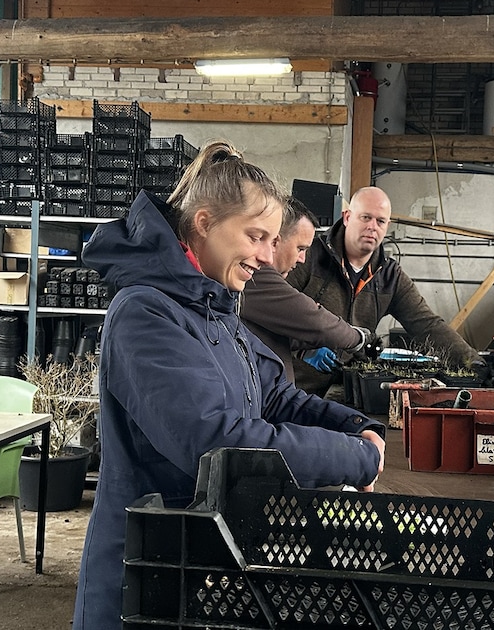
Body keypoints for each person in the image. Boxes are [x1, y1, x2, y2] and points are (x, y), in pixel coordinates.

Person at [72, 141, 386, 630]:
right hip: (145, 572)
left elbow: (273, 395)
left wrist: (359, 425)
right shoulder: (145, 314)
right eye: (256, 236)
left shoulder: (215, 308)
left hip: (202, 557)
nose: (267, 255)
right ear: (203, 224)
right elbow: (216, 442)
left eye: (272, 239)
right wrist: (355, 455)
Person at [286, 185, 479, 395]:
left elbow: (427, 324)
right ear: (347, 217)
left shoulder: (389, 276)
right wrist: (304, 349)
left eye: (380, 221)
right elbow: (274, 310)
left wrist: (472, 361)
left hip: (345, 389)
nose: (372, 227)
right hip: (293, 387)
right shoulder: (308, 256)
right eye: (365, 217)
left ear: (388, 225)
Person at [241, 197, 373, 381]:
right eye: (300, 248)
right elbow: (311, 318)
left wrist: (306, 349)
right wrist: (358, 338)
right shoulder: (255, 277)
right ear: (275, 241)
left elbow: (276, 331)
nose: (302, 258)